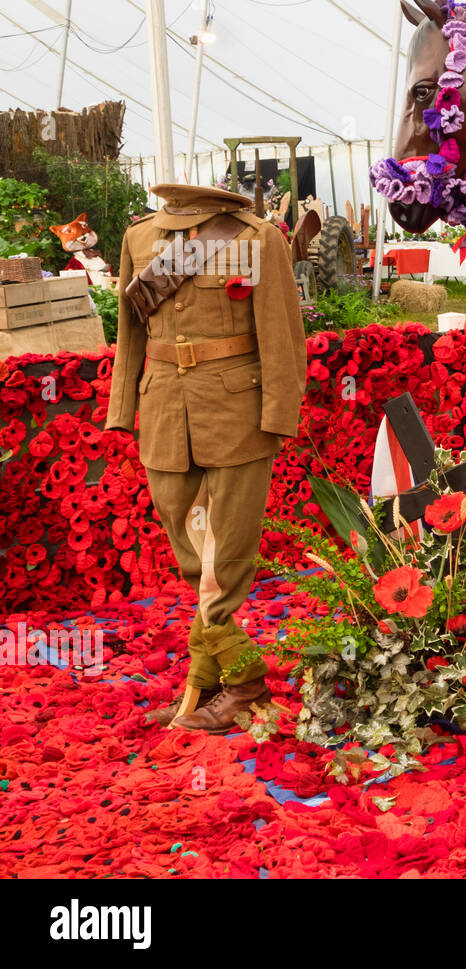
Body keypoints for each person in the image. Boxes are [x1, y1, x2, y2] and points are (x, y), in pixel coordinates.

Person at [106, 183, 306, 732]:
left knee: (228, 552)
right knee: (191, 550)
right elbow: (129, 334)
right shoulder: (139, 237)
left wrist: (278, 415)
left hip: (237, 411)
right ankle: (210, 681)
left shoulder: (257, 238)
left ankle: (240, 684)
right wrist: (123, 405)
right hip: (165, 404)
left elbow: (283, 333)